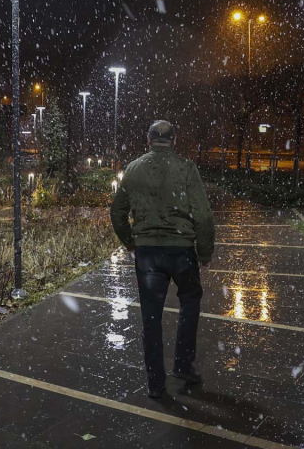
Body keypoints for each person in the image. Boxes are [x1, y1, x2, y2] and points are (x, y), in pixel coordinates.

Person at [110, 120, 215, 398]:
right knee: (190, 301)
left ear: (148, 140)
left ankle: (155, 384)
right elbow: (203, 214)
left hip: (147, 254)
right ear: (174, 140)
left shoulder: (133, 169)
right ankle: (182, 364)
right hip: (181, 249)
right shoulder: (186, 168)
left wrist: (130, 243)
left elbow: (117, 212)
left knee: (151, 316)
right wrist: (204, 251)